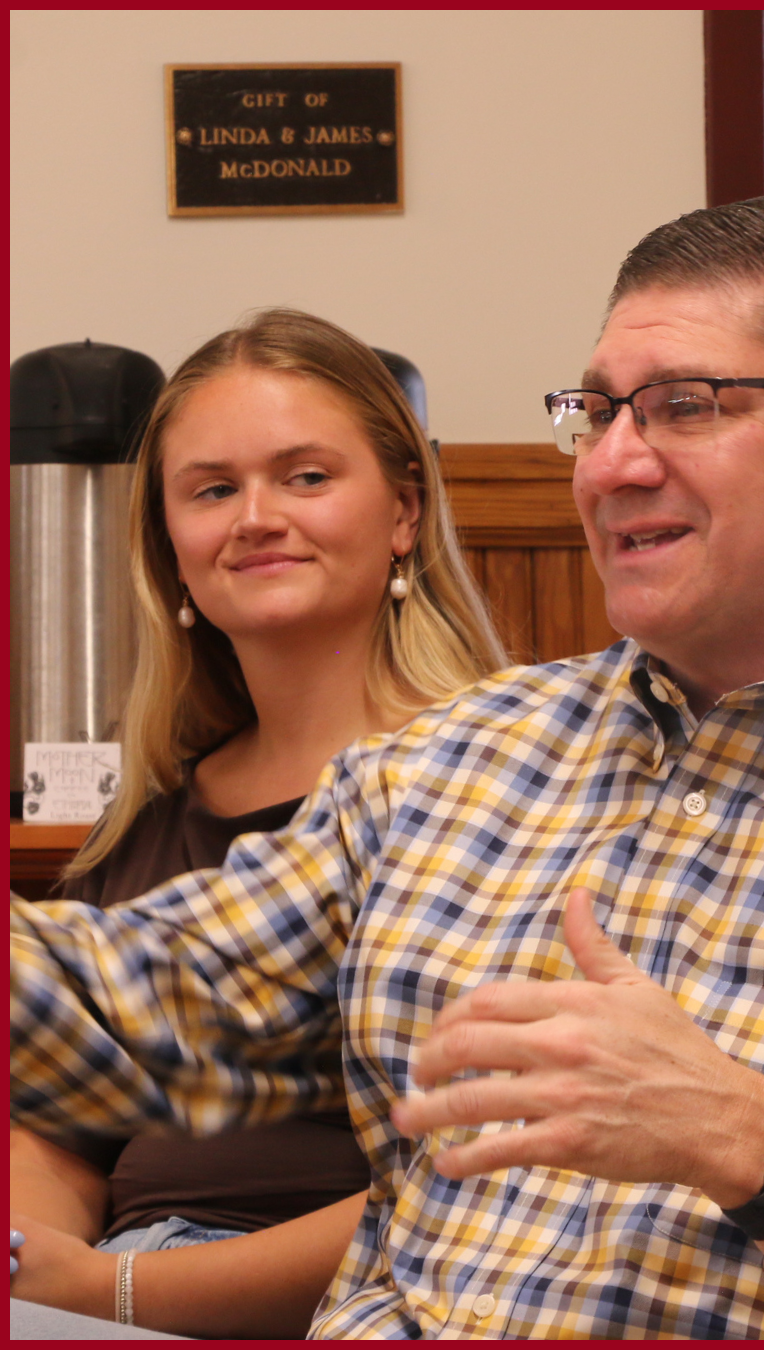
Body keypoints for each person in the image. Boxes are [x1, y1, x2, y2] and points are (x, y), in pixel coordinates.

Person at [12, 199, 764, 1339]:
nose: (611, 464)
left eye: (681, 407)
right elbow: (144, 1001)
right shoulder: (447, 767)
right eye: (597, 413)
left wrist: (762, 1146)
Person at [10, 306, 506, 1337]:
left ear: (405, 514)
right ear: (173, 548)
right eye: (213, 489)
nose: (256, 517)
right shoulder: (151, 823)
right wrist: (35, 1265)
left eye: (306, 477)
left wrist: (118, 1293)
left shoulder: (502, 786)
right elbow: (58, 1126)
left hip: (363, 1309)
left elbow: (488, 1179)